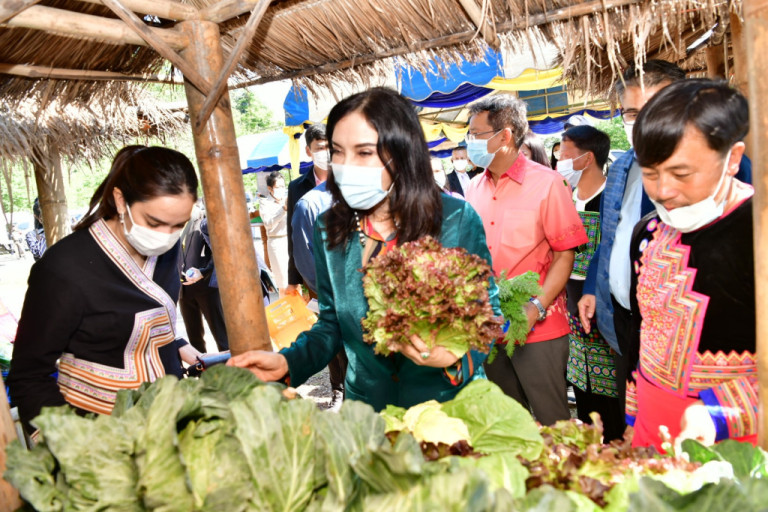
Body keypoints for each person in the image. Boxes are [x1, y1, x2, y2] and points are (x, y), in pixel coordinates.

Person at [229, 87, 500, 410]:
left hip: (449, 406)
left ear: (402, 153)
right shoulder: (329, 228)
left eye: (364, 152)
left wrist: (454, 358)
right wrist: (289, 362)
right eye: (338, 152)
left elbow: (487, 314)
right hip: (370, 412)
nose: (346, 165)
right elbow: (331, 324)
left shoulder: (455, 218)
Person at [7, 145, 203, 431]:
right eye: (154, 222)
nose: (166, 236)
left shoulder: (167, 248)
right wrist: (70, 442)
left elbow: (145, 315)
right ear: (121, 201)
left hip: (166, 418)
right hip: (95, 429)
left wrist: (178, 344)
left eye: (178, 225)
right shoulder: (64, 268)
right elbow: (29, 375)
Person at [626, 79, 755, 451]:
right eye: (650, 173)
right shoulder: (648, 232)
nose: (662, 191)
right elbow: (642, 331)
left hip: (737, 443)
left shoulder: (758, 232)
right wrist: (633, 418)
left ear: (732, 159)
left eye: (681, 174)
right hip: (651, 432)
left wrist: (719, 412)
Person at [464, 94, 588, 425]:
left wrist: (536, 308)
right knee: (508, 422)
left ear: (504, 136)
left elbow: (565, 255)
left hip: (539, 328)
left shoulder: (548, 184)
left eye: (475, 134)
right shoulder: (473, 188)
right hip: (490, 326)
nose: (469, 142)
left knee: (553, 423)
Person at [577, 60, 687, 431]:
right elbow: (611, 235)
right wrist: (592, 287)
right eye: (632, 113)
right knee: (635, 420)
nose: (643, 121)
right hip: (624, 318)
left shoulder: (715, 169)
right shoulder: (624, 166)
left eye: (656, 108)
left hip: (680, 329)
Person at [558, 126, 623, 441]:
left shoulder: (613, 198)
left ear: (587, 158)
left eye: (565, 153)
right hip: (566, 299)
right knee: (580, 377)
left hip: (602, 301)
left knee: (609, 383)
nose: (560, 160)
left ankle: (615, 442)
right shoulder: (563, 198)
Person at [178, 203, 229, 352]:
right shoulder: (173, 222)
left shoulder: (204, 220)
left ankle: (232, 365)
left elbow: (220, 252)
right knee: (194, 339)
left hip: (206, 288)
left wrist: (204, 272)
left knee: (222, 337)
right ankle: (200, 366)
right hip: (183, 289)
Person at [285, 123, 328, 295]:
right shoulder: (297, 187)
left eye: (330, 147)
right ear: (309, 151)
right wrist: (293, 280)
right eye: (320, 148)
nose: (327, 153)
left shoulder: (347, 181)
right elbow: (293, 235)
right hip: (314, 272)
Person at [259, 171, 289, 295]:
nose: (281, 189)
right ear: (270, 188)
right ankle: (287, 307)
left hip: (290, 241)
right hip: (277, 243)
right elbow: (268, 223)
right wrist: (283, 209)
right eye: (278, 187)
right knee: (284, 284)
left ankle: (299, 307)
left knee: (296, 281)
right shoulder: (265, 203)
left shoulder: (287, 199)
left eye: (283, 186)